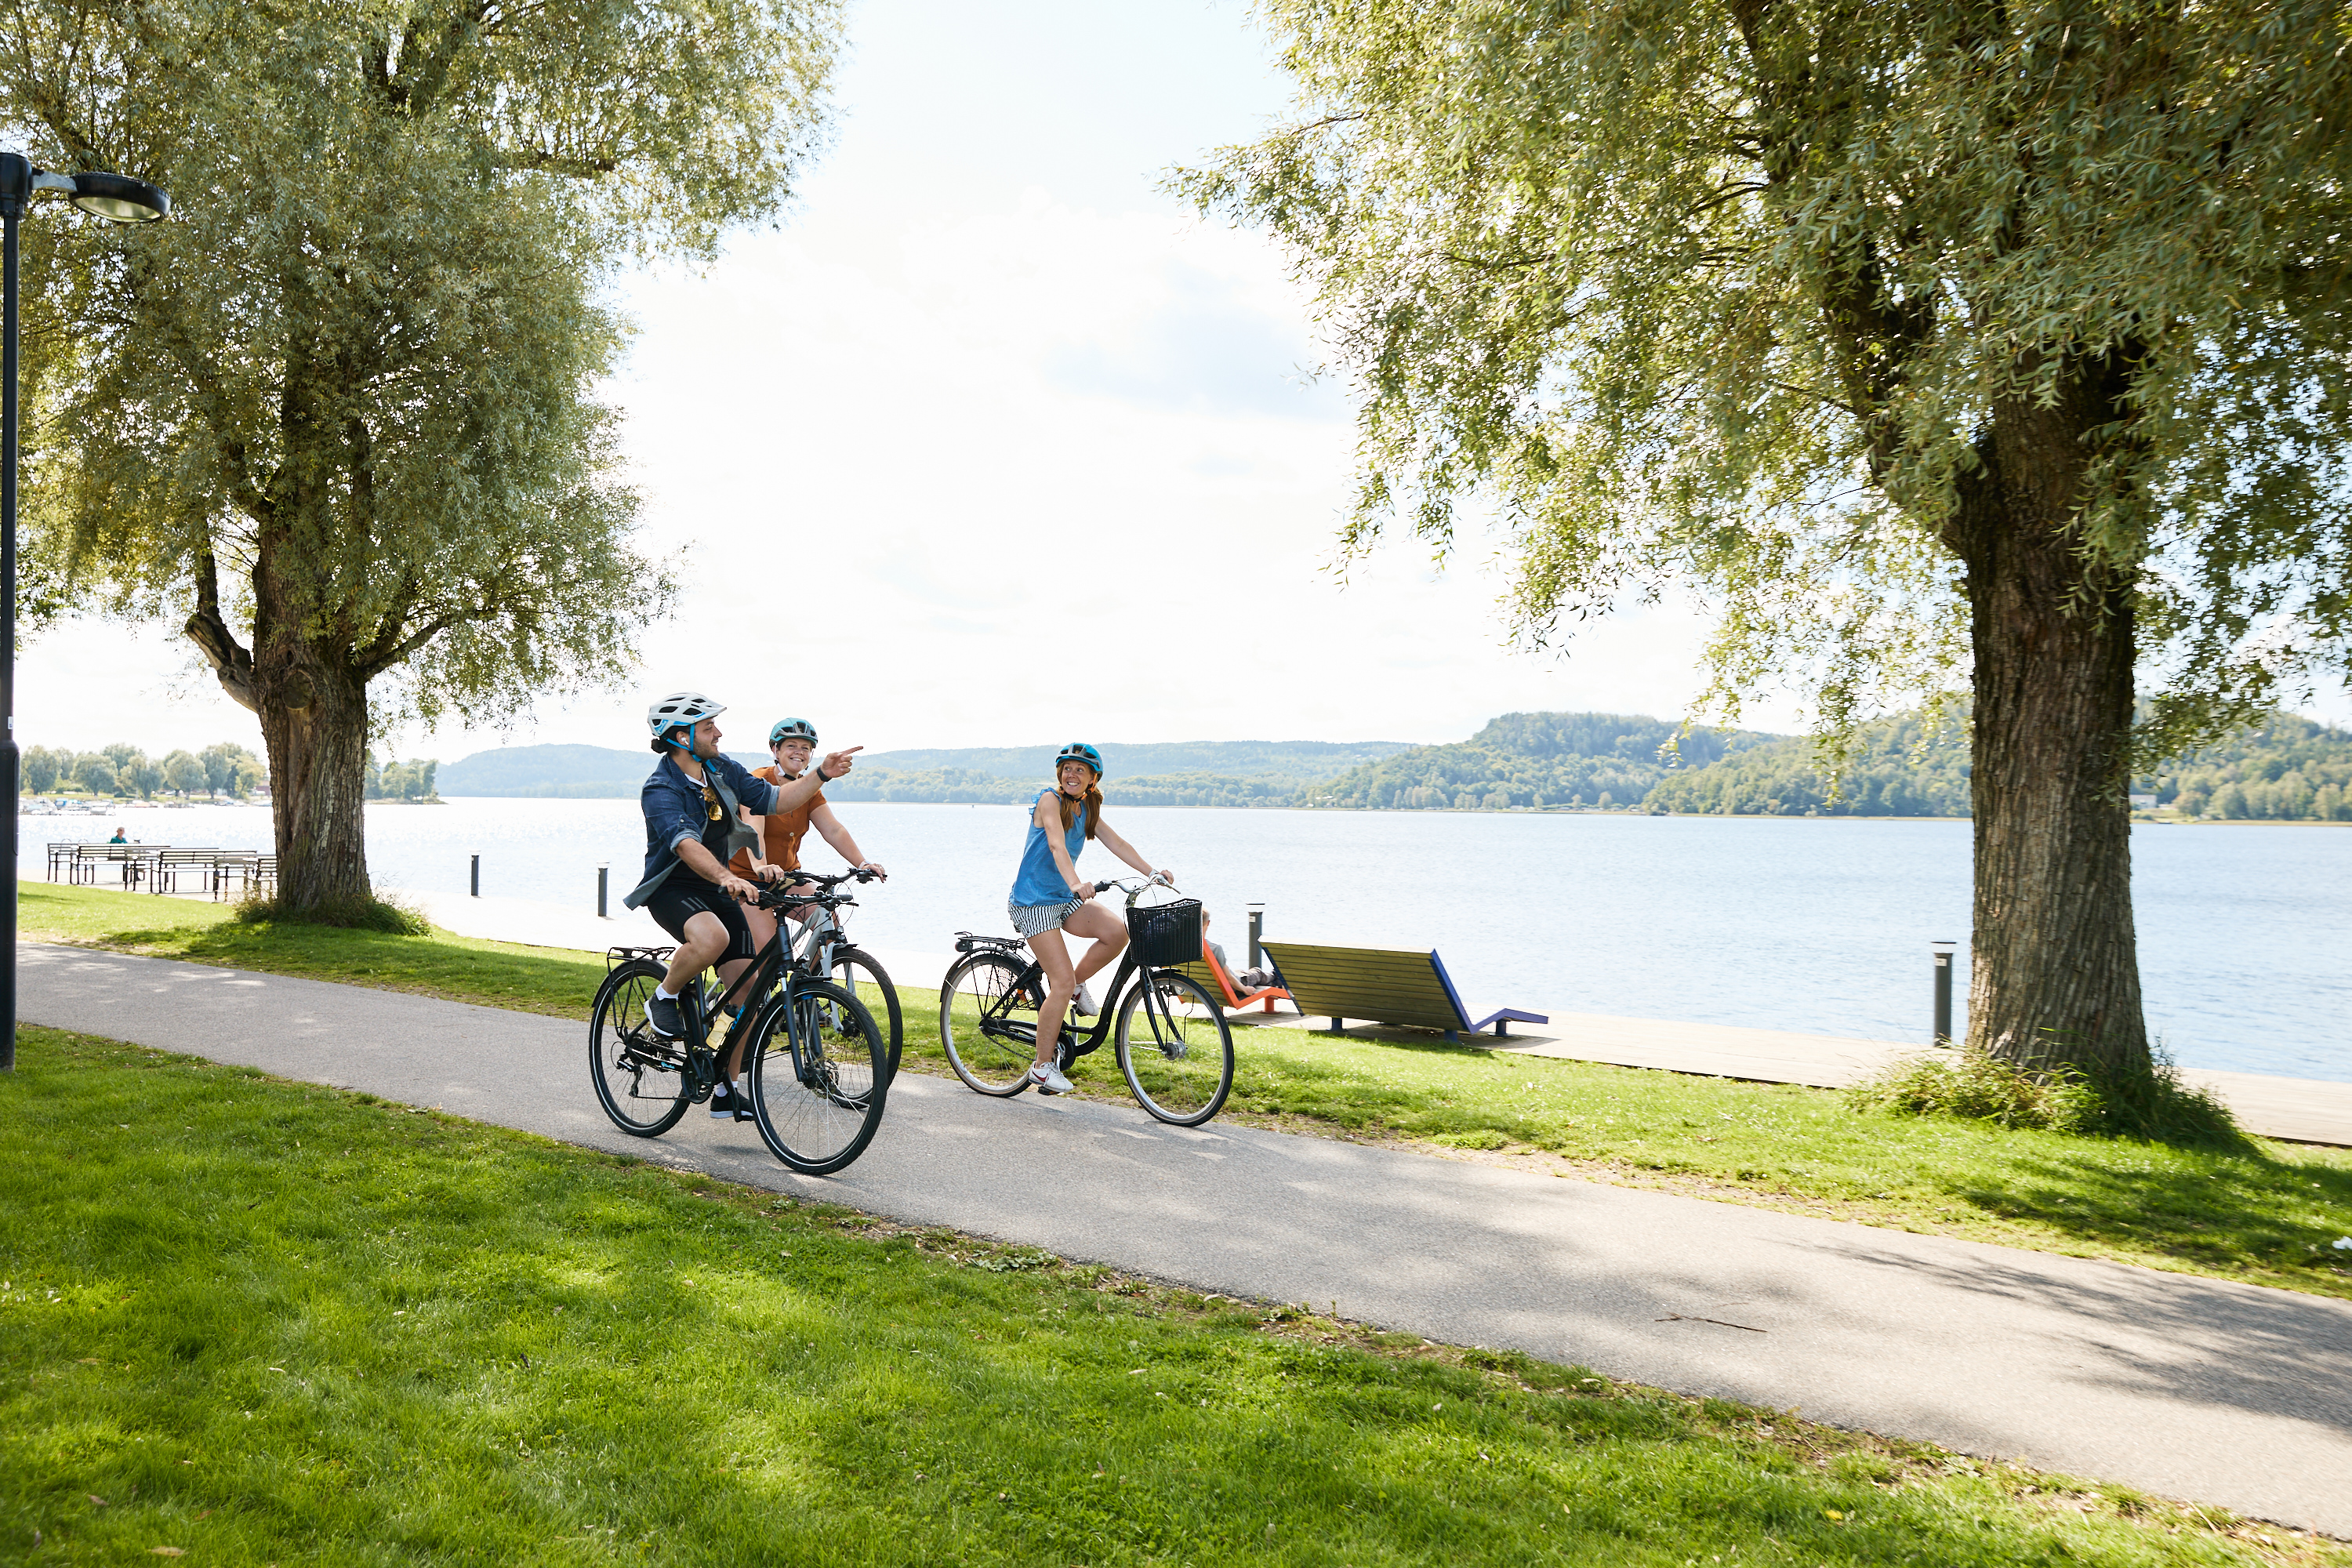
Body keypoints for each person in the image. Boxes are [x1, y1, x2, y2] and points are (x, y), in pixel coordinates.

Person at [623, 691, 861, 1119]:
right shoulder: (661, 789)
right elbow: (685, 844)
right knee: (711, 937)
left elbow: (775, 800)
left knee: (748, 992)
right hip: (674, 888)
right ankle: (663, 996)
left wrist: (822, 774)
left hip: (720, 887)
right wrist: (728, 876)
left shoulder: (721, 770)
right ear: (682, 737)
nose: (718, 733)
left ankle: (725, 1087)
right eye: (708, 727)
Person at [1007, 742, 1173, 1094]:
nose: (1072, 774)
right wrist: (1075, 883)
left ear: (1092, 779)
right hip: (1033, 902)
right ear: (1059, 773)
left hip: (1063, 898)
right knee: (1060, 982)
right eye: (1067, 768)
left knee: (1117, 933)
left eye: (1080, 770)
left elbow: (1118, 843)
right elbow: (1057, 845)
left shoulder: (1087, 807)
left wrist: (1152, 872)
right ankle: (1041, 1067)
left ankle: (1076, 984)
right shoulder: (1049, 800)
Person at [730, 717, 888, 958]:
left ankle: (810, 981)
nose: (799, 752)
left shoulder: (809, 790)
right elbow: (754, 829)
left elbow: (833, 830)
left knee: (828, 923)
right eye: (791, 745)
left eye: (806, 748)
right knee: (770, 951)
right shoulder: (757, 783)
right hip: (746, 879)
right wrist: (761, 866)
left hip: (785, 878)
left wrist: (863, 863)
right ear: (775, 750)